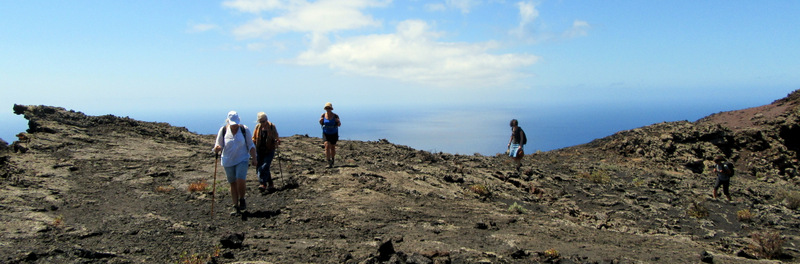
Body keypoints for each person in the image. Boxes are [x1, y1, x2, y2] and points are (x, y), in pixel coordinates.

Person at [214, 111, 257, 215]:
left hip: (242, 159)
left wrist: (254, 157)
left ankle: (242, 199)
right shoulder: (223, 130)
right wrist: (217, 148)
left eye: (236, 124)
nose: (234, 126)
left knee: (240, 179)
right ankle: (235, 206)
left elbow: (250, 145)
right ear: (228, 121)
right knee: (233, 183)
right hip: (228, 160)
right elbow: (218, 144)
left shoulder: (244, 129)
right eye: (232, 124)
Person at [252, 112, 279, 193]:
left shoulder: (271, 127)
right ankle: (269, 184)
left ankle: (263, 183)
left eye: (264, 121)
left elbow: (276, 137)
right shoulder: (257, 127)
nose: (262, 123)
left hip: (269, 150)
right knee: (260, 167)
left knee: (264, 166)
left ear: (266, 120)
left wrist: (276, 141)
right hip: (259, 150)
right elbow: (254, 138)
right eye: (261, 122)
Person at [319, 102, 341, 168]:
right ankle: (329, 162)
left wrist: (338, 121)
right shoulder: (323, 115)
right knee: (327, 146)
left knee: (333, 148)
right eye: (327, 108)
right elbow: (321, 123)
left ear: (331, 108)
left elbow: (339, 125)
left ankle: (333, 159)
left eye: (329, 108)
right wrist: (320, 121)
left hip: (334, 133)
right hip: (326, 133)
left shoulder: (335, 116)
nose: (328, 109)